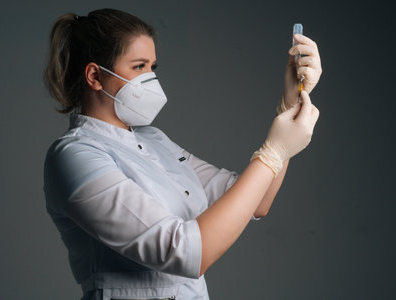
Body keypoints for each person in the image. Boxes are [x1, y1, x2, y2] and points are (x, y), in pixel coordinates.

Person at [43, 8, 321, 300]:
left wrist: (289, 106)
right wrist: (272, 152)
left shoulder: (154, 141)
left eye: (153, 67)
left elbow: (256, 200)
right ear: (95, 76)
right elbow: (185, 253)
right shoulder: (75, 155)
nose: (150, 79)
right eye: (139, 67)